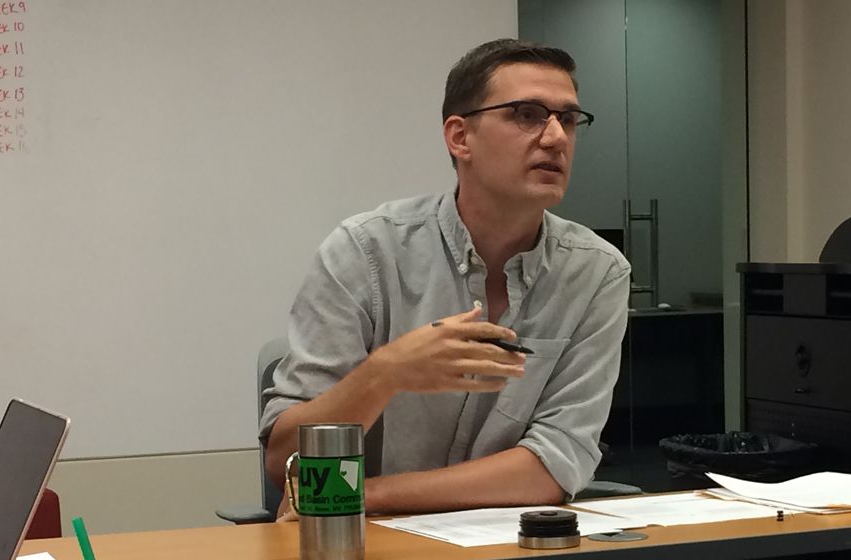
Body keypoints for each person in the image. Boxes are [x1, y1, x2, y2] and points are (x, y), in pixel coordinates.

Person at [260, 38, 630, 516]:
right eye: (527, 114)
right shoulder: (366, 250)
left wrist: (359, 495)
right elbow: (284, 459)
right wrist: (387, 372)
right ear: (460, 137)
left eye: (569, 119)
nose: (557, 137)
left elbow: (555, 464)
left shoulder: (597, 271)